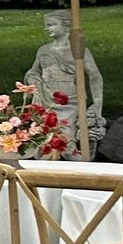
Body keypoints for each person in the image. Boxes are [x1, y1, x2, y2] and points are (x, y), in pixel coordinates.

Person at [28, 9, 103, 153]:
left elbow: (95, 76)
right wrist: (33, 81)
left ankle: (79, 167)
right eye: (46, 25)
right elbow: (33, 71)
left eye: (51, 24)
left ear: (66, 25)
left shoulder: (78, 51)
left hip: (70, 102)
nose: (46, 28)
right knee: (42, 143)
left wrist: (97, 102)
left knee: (67, 143)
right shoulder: (43, 50)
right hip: (46, 100)